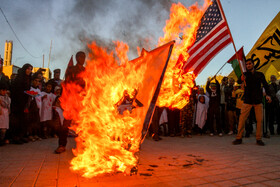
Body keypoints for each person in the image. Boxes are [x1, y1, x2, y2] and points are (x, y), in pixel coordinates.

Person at [232, 59, 272, 146]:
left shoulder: (260, 74)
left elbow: (265, 85)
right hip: (247, 101)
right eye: (247, 64)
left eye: (250, 64)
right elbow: (239, 81)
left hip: (258, 100)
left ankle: (259, 139)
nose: (248, 65)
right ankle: (239, 138)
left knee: (259, 120)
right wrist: (241, 79)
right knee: (242, 119)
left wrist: (268, 95)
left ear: (253, 64)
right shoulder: (245, 75)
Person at [55, 51, 86, 154]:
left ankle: (86, 146)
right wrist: (63, 98)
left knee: (85, 123)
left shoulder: (86, 70)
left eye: (84, 57)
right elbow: (66, 84)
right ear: (77, 58)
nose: (83, 59)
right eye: (81, 57)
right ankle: (62, 145)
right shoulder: (71, 69)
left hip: (82, 100)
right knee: (66, 124)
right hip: (71, 99)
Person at [10, 63, 33, 144]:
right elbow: (16, 90)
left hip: (24, 102)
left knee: (23, 120)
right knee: (16, 121)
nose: (29, 71)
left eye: (30, 69)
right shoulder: (19, 78)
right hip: (17, 103)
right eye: (28, 69)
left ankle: (21, 136)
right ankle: (15, 137)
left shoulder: (28, 78)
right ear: (24, 69)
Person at [0, 80, 10, 146]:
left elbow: (8, 106)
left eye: (5, 90)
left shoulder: (8, 98)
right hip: (1, 114)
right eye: (3, 90)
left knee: (4, 129)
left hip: (5, 114)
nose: (4, 92)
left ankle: (2, 140)